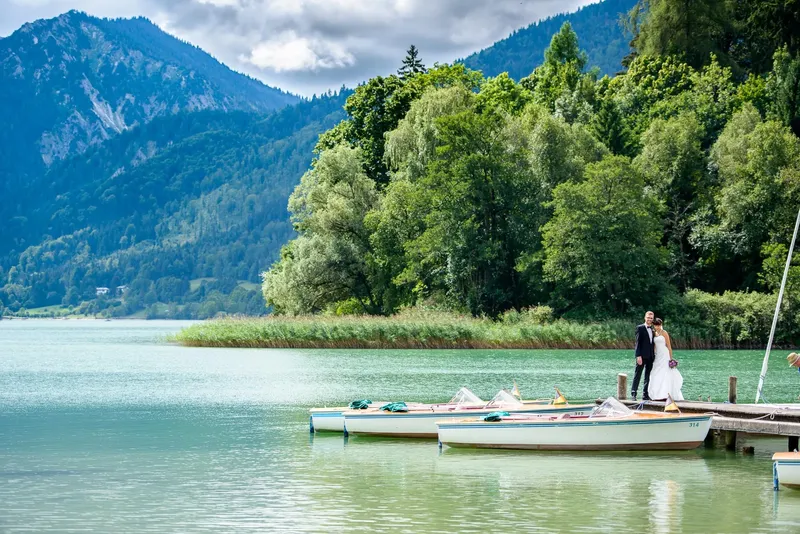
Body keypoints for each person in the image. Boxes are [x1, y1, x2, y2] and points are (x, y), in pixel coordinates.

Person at [648, 318, 684, 401]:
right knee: (655, 372)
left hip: (665, 354)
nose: (657, 327)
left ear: (661, 324)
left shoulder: (664, 333)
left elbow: (669, 346)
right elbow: (654, 346)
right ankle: (656, 394)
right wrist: (653, 355)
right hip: (658, 355)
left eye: (659, 325)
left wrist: (670, 359)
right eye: (656, 325)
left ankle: (665, 393)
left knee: (665, 373)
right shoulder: (654, 333)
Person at [631, 311, 655, 401]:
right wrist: (638, 356)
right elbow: (637, 343)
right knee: (637, 374)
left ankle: (645, 394)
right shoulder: (640, 328)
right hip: (641, 356)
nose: (649, 319)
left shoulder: (652, 330)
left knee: (648, 376)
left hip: (650, 356)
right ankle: (633, 394)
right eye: (648, 318)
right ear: (645, 318)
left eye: (651, 318)